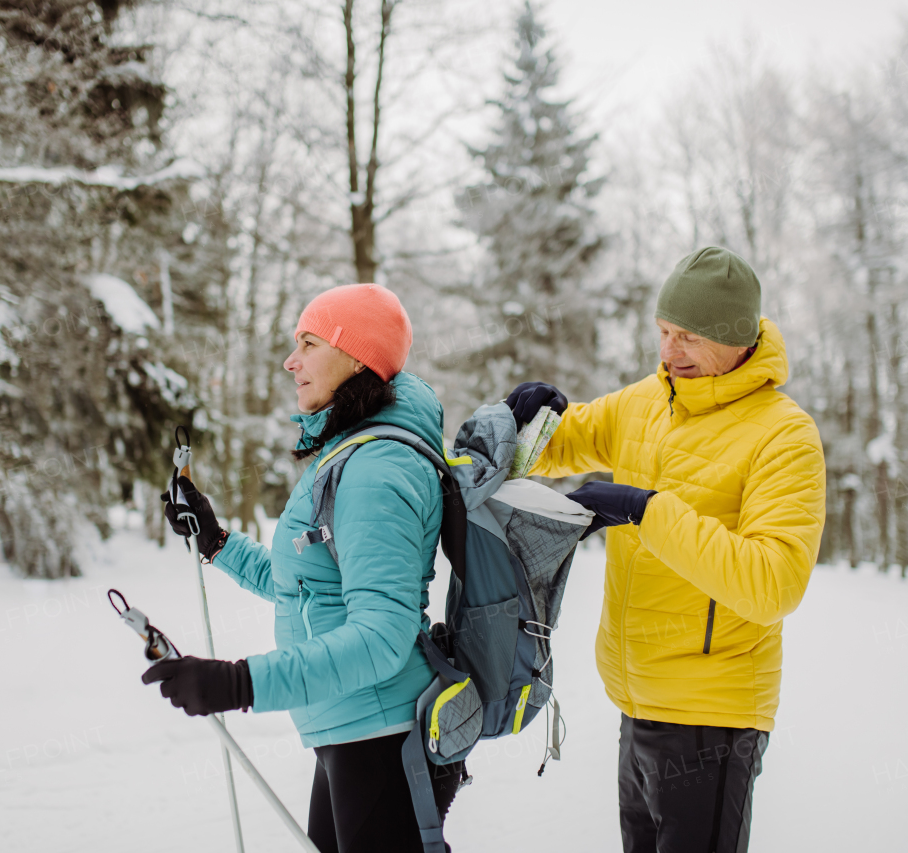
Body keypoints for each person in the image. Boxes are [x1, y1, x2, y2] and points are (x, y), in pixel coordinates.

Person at [507, 246, 826, 853]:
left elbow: (773, 584)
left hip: (714, 717)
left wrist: (646, 509)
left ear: (737, 341)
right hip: (637, 702)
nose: (669, 352)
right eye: (662, 331)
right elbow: (556, 446)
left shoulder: (784, 435)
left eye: (689, 337)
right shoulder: (646, 403)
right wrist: (527, 417)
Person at [145, 283, 465, 853]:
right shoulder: (351, 452)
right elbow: (308, 587)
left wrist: (238, 681)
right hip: (354, 726)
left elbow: (382, 637)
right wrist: (217, 542)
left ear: (357, 357)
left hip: (381, 732)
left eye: (310, 343)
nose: (291, 361)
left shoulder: (377, 468)